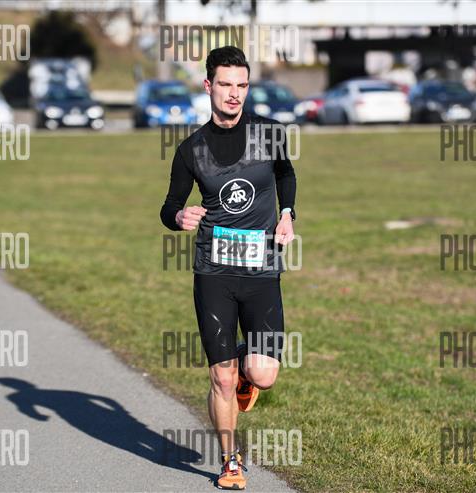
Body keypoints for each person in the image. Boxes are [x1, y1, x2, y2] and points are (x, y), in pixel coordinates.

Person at [160, 45, 297, 490]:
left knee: (263, 374)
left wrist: (287, 213)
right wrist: (179, 217)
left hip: (262, 269)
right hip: (214, 271)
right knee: (221, 377)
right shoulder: (191, 150)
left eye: (241, 85)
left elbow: (285, 174)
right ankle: (229, 460)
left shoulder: (270, 133)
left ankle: (242, 364)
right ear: (208, 86)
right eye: (225, 84)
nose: (234, 93)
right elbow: (169, 206)